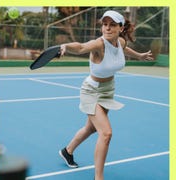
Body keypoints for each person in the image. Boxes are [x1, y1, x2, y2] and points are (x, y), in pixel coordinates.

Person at [58, 10, 153, 180]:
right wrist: (65, 46)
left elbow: (125, 48)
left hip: (108, 90)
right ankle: (99, 177)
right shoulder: (98, 44)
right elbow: (81, 47)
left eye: (112, 25)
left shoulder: (120, 42)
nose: (107, 28)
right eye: (104, 24)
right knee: (106, 133)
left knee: (91, 128)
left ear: (120, 28)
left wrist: (139, 56)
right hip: (91, 91)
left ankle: (67, 151)